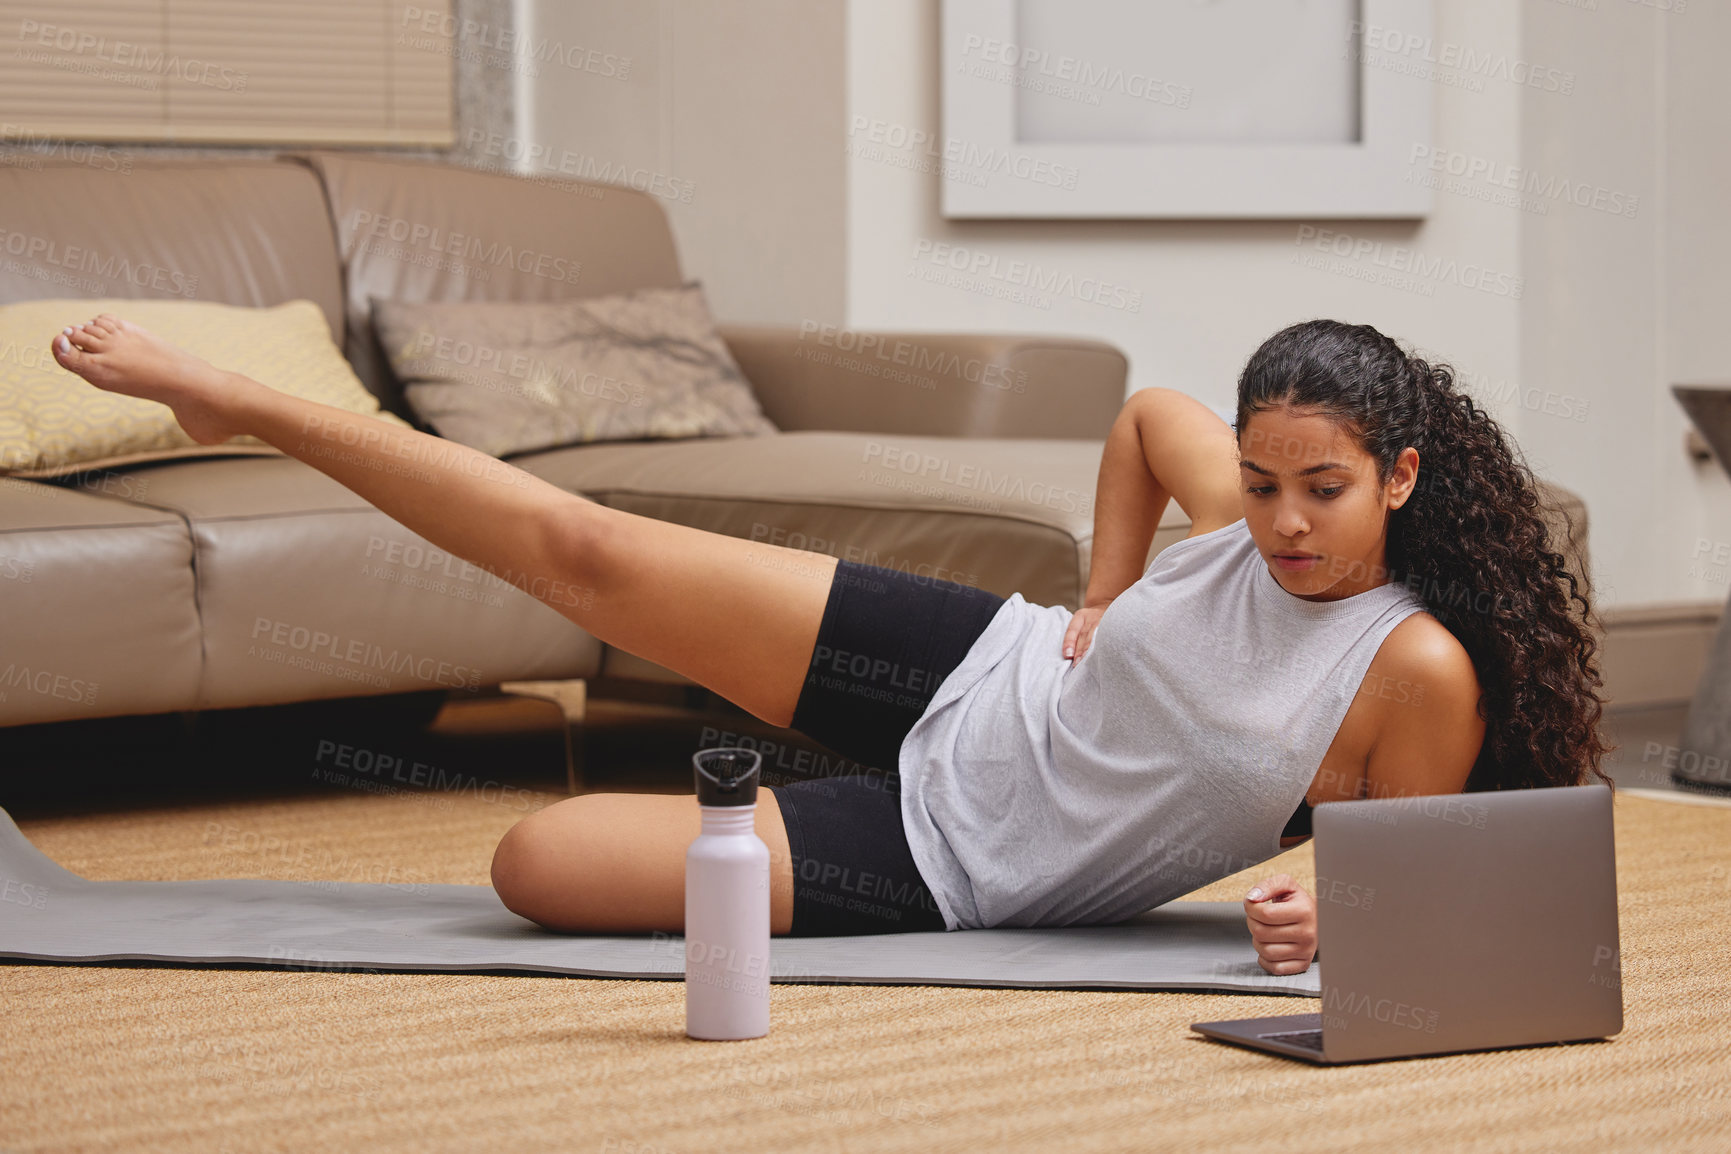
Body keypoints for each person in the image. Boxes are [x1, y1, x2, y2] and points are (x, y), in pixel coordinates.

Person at [49, 314, 1610, 975]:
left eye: (1321, 492)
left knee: (541, 864)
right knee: (587, 548)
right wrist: (1099, 591)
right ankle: (246, 402)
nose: (1277, 522)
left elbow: (1402, 886)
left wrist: (1318, 913)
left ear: (1401, 477)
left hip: (961, 854)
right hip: (976, 663)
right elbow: (1145, 420)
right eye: (1261, 485)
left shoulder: (1415, 673)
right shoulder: (1248, 491)